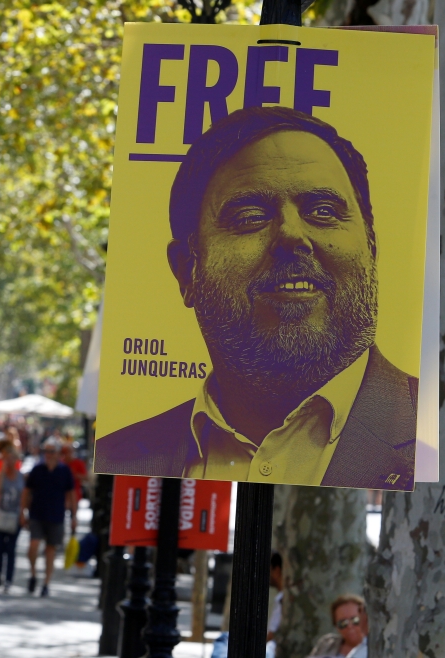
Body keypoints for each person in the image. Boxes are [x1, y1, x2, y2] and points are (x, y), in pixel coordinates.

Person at [94, 106, 417, 490]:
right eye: (249, 216)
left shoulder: (435, 432)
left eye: (324, 211)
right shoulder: (121, 456)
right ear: (186, 270)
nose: (293, 237)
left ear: (371, 247)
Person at [21, 438, 75, 597]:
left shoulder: (65, 471)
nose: (48, 454)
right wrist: (22, 512)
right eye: (46, 451)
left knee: (50, 550)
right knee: (33, 546)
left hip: (56, 516)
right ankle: (33, 574)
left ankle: (46, 583)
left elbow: (71, 494)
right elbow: (26, 491)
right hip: (37, 514)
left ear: (58, 453)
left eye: (52, 451)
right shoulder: (37, 469)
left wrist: (74, 516)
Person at [0, 441, 24, 592]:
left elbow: (24, 497)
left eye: (11, 458)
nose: (9, 461)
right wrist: (3, 472)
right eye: (6, 458)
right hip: (1, 515)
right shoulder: (0, 475)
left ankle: (8, 579)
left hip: (15, 516)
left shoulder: (21, 478)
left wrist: (23, 514)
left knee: (11, 549)